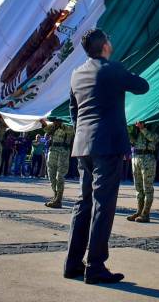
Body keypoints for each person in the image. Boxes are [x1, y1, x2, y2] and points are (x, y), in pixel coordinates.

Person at [64, 29, 149, 284]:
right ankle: (95, 265)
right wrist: (125, 72)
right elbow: (143, 86)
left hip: (83, 145)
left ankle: (72, 263)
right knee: (103, 203)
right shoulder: (113, 69)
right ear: (105, 46)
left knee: (83, 203)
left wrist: (84, 134)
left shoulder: (76, 74)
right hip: (108, 145)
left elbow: (73, 111)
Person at [127, 121, 159, 223]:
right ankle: (139, 212)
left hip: (148, 158)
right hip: (136, 157)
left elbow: (154, 138)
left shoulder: (156, 125)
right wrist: (129, 130)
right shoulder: (136, 125)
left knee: (147, 188)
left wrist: (142, 128)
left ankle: (145, 214)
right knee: (138, 187)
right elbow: (132, 140)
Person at [42, 118, 75, 208]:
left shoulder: (69, 123)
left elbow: (71, 131)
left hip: (63, 151)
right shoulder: (54, 124)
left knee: (59, 176)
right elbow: (46, 129)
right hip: (52, 150)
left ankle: (58, 199)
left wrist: (60, 124)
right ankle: (55, 196)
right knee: (51, 175)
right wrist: (43, 122)